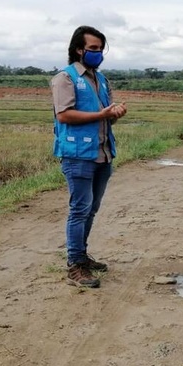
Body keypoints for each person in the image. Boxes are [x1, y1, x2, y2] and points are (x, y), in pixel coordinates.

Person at [50, 25, 127, 289]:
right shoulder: (65, 78)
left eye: (100, 49)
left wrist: (113, 115)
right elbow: (64, 115)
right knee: (79, 209)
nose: (98, 54)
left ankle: (82, 256)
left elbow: (104, 118)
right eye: (93, 49)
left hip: (102, 153)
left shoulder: (101, 79)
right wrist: (102, 115)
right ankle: (75, 266)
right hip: (77, 155)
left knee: (90, 209)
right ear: (78, 49)